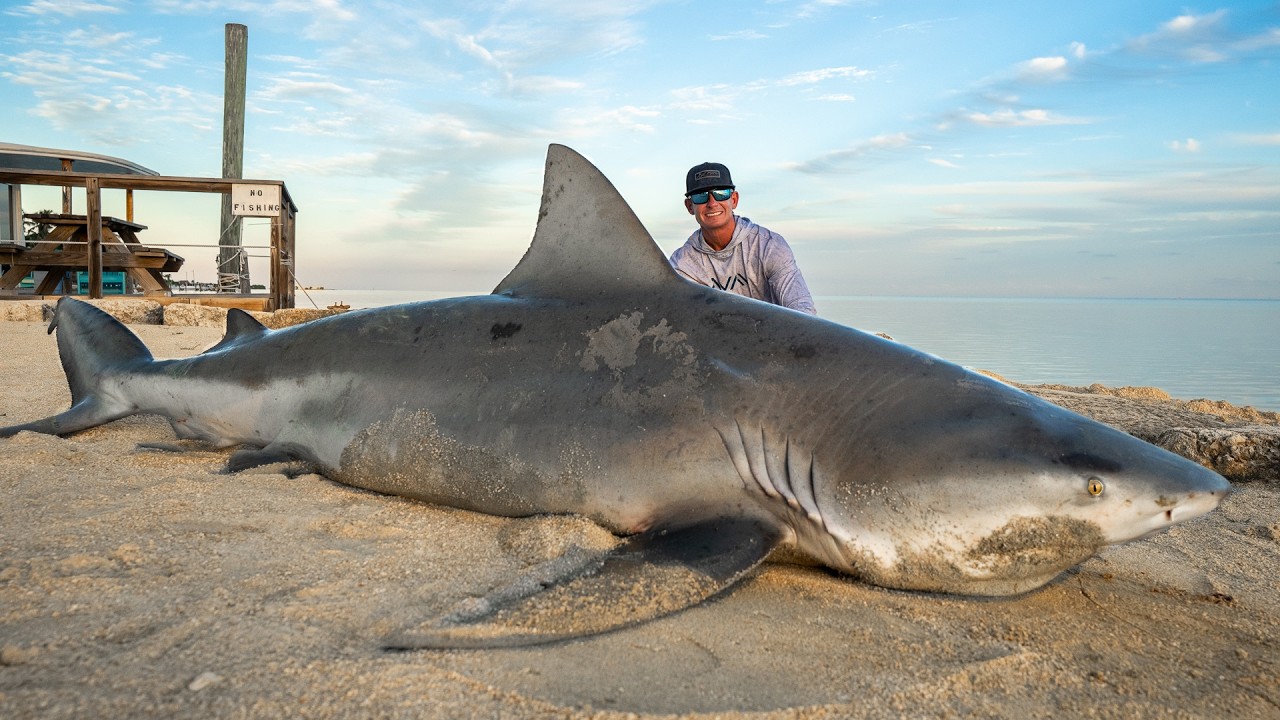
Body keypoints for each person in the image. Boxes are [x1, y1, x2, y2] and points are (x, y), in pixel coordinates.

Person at [668, 161, 816, 315]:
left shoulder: (769, 246)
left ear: (734, 199)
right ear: (689, 206)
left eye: (721, 193)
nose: (712, 203)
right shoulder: (682, 265)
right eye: (701, 196)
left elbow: (803, 309)